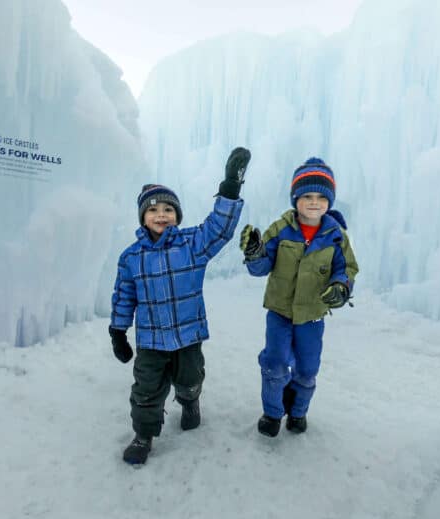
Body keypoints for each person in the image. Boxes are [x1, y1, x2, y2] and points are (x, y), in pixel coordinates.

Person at [109, 147, 251, 464]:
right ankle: (143, 435)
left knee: (190, 378)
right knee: (146, 389)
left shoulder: (191, 245)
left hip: (188, 336)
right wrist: (118, 330)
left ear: (177, 216)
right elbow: (124, 295)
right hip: (151, 339)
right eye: (153, 210)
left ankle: (190, 401)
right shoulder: (131, 257)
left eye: (168, 210)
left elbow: (219, 228)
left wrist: (230, 188)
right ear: (143, 217)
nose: (161, 215)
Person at [239, 157, 359, 437]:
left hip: (312, 316)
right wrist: (254, 253)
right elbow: (260, 267)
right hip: (279, 312)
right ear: (296, 199)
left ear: (330, 200)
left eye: (321, 196)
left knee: (307, 367)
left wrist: (341, 287)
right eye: (307, 196)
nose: (314, 202)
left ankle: (298, 412)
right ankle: (272, 413)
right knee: (275, 363)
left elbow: (347, 269)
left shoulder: (335, 236)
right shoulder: (281, 229)